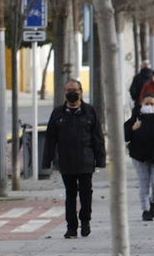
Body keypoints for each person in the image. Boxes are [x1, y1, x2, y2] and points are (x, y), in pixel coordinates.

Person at [43, 79, 106, 239]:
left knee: (86, 194)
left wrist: (100, 159)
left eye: (74, 90)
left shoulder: (89, 111)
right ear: (64, 93)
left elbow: (97, 137)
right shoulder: (58, 113)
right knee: (70, 194)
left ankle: (85, 221)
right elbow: (51, 138)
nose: (72, 93)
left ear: (81, 91)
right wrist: (47, 160)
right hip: (66, 160)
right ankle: (71, 227)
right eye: (68, 90)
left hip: (85, 160)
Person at [124, 93, 154, 221]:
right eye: (146, 104)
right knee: (143, 182)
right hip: (139, 156)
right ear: (141, 105)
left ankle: (153, 201)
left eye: (152, 104)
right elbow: (125, 136)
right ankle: (145, 209)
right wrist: (132, 129)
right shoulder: (135, 119)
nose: (149, 106)